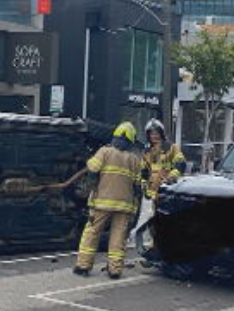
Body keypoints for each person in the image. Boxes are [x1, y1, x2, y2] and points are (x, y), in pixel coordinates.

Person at [74, 121, 144, 280]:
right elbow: (137, 186)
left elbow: (92, 171)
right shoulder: (134, 160)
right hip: (124, 206)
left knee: (92, 233)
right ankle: (115, 270)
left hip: (102, 203)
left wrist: (86, 190)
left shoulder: (104, 152)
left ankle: (83, 266)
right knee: (118, 237)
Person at [134, 119, 186, 253]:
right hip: (154, 194)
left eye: (156, 133)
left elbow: (181, 163)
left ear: (161, 133)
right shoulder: (147, 151)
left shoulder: (171, 147)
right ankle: (156, 248)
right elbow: (144, 171)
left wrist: (171, 177)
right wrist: (144, 186)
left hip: (168, 191)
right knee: (154, 222)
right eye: (151, 134)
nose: (154, 136)